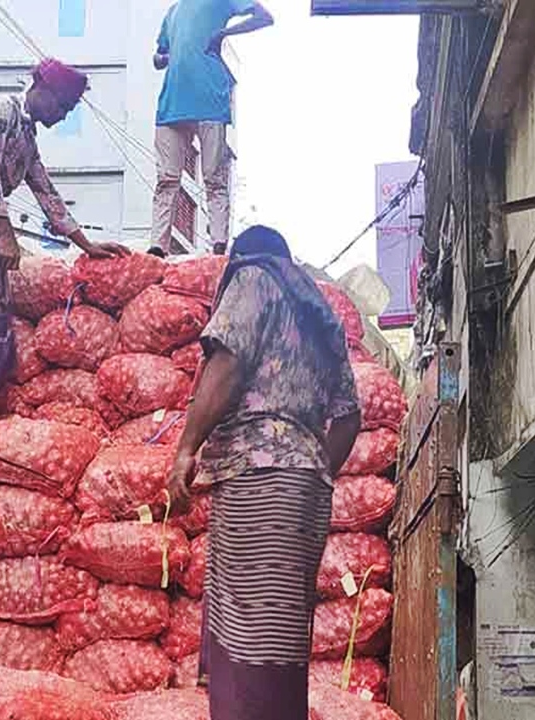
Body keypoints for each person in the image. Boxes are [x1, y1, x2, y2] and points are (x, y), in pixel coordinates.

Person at [166, 225, 361, 720]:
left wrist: (187, 448)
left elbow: (228, 362)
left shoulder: (254, 279)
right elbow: (350, 416)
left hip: (258, 482)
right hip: (306, 490)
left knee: (246, 640)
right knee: (281, 645)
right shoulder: (320, 315)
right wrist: (310, 466)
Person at [0, 57, 130, 423]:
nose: (63, 116)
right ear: (42, 90)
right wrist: (5, 233)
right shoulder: (1, 111)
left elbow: (47, 194)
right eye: (63, 106)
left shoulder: (28, 140)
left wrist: (87, 245)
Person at [151, 0, 273, 256]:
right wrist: (166, 57)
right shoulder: (172, 11)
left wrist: (223, 33)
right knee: (166, 179)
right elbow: (158, 57)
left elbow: (264, 17)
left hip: (209, 100)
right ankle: (157, 248)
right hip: (172, 103)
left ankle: (218, 247)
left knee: (214, 178)